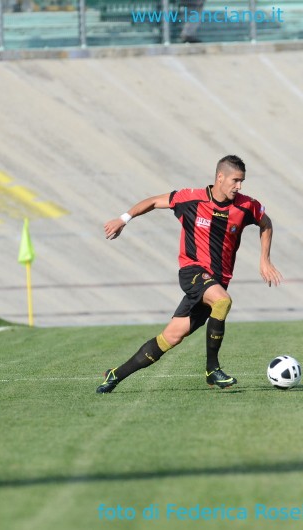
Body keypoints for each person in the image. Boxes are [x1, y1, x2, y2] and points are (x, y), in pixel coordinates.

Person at [97, 155, 282, 393]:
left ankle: (115, 375)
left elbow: (266, 223)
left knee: (171, 337)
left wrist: (264, 259)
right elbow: (154, 201)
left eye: (242, 181)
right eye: (236, 180)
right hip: (193, 272)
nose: (239, 186)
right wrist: (124, 219)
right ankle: (212, 369)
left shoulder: (246, 206)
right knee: (223, 301)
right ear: (220, 177)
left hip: (216, 281)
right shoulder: (191, 198)